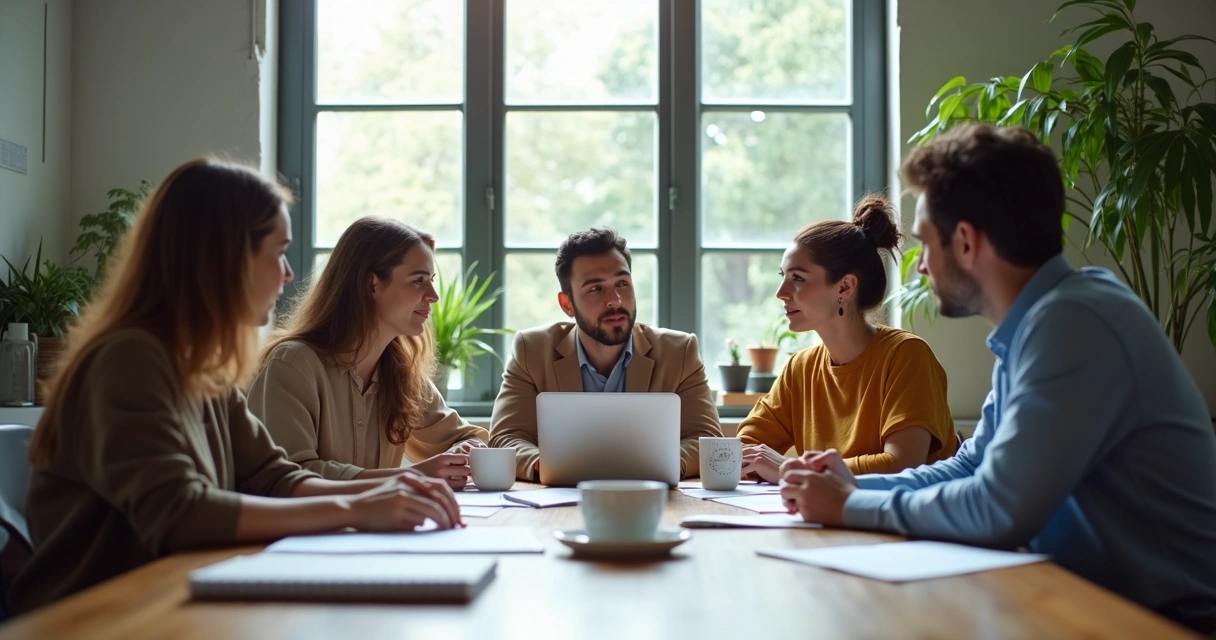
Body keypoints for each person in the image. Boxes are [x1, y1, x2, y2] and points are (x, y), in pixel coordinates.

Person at [779, 123, 1216, 632]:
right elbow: (972, 465)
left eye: (926, 244)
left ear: (965, 242)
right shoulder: (1042, 324)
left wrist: (850, 504)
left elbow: (998, 508)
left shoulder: (1074, 324)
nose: (920, 268)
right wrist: (850, 483)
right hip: (1084, 603)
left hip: (1166, 623)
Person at [7, 159, 460, 616]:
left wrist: (382, 493)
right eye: (278, 252)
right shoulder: (129, 359)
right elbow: (179, 512)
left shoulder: (204, 368)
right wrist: (354, 509)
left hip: (169, 602)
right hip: (92, 618)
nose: (288, 273)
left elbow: (273, 477)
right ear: (224, 258)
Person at [248, 217, 489, 490]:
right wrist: (411, 478)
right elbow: (288, 477)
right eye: (418, 280)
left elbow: (467, 437)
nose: (433, 295)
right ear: (371, 285)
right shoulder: (292, 365)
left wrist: (464, 450)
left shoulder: (401, 372)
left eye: (431, 280)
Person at [737, 195, 956, 483]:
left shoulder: (906, 356)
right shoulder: (800, 369)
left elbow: (901, 464)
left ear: (845, 287)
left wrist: (792, 469)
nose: (781, 292)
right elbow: (743, 449)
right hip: (831, 511)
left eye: (798, 278)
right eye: (783, 276)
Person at [489, 228, 722, 480]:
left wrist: (666, 463)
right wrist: (546, 465)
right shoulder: (531, 350)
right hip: (562, 497)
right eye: (595, 288)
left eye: (622, 284)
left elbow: (706, 438)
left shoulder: (679, 352)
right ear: (567, 304)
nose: (615, 300)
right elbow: (505, 438)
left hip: (650, 495)